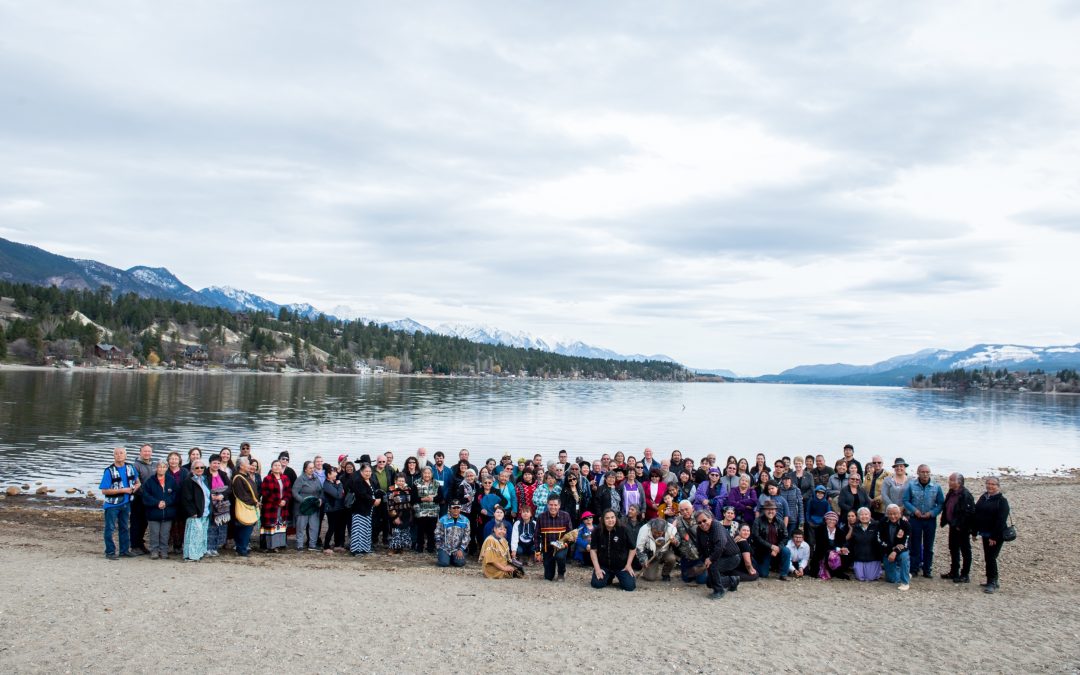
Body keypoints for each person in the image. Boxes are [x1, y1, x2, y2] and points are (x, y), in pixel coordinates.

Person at [903, 464, 944, 578]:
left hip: (930, 519)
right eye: (922, 472)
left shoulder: (936, 486)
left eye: (927, 472)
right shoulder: (911, 485)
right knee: (915, 544)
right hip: (915, 519)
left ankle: (927, 569)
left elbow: (941, 503)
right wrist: (914, 511)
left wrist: (932, 513)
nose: (925, 474)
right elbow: (906, 500)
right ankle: (914, 568)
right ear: (918, 473)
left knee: (928, 545)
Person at [99, 447, 141, 560]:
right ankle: (110, 551)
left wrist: (136, 487)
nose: (119, 455)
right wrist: (123, 490)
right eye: (116, 453)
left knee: (124, 527)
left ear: (125, 455)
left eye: (121, 453)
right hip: (112, 505)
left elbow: (138, 482)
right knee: (110, 528)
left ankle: (124, 550)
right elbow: (104, 490)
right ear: (114, 456)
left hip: (126, 503)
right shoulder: (109, 471)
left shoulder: (130, 467)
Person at [974, 476, 1010, 593]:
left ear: (998, 486)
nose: (990, 486)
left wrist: (994, 536)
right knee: (988, 557)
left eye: (993, 484)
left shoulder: (1002, 501)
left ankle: (992, 582)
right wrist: (974, 531)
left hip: (996, 534)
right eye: (988, 483)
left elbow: (1001, 520)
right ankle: (991, 579)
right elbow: (977, 513)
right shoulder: (983, 497)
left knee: (991, 557)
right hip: (985, 532)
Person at [695, 509, 742, 599]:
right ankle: (733, 580)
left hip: (732, 557)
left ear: (710, 518)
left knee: (713, 565)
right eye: (699, 522)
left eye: (704, 520)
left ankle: (719, 591)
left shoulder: (716, 525)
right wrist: (704, 559)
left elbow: (720, 544)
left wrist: (710, 559)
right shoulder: (699, 530)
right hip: (719, 557)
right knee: (709, 582)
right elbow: (700, 547)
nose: (702, 524)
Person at [940, 472, 976, 583]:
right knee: (953, 548)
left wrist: (962, 526)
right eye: (949, 480)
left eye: (952, 480)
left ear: (959, 482)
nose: (949, 482)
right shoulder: (951, 493)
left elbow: (969, 513)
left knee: (965, 550)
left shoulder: (966, 495)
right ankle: (954, 571)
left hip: (962, 527)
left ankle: (965, 574)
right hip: (953, 525)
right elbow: (947, 507)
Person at [589, 509, 636, 591]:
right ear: (602, 520)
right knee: (596, 584)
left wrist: (628, 565)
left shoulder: (624, 529)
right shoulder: (597, 531)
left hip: (621, 566)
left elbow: (633, 548)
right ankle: (609, 577)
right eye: (607, 518)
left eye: (612, 517)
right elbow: (593, 550)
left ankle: (621, 578)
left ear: (616, 518)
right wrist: (597, 569)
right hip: (604, 566)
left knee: (630, 587)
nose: (610, 520)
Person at [141, 459, 177, 560]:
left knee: (165, 533)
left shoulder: (171, 480)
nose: (161, 469)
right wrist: (157, 503)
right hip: (153, 513)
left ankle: (164, 551)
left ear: (167, 468)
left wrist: (166, 502)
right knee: (154, 533)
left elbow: (175, 495)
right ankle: (154, 551)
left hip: (168, 512)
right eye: (159, 467)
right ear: (156, 468)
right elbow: (146, 496)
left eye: (164, 467)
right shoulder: (150, 481)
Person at [751, 500, 791, 580]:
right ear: (764, 510)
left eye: (773, 509)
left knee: (786, 551)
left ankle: (783, 574)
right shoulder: (757, 521)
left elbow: (785, 537)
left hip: (777, 548)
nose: (770, 511)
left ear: (776, 511)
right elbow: (756, 537)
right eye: (768, 509)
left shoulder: (780, 522)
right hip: (763, 550)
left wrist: (778, 548)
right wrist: (771, 546)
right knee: (763, 574)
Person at [180, 459, 210, 562]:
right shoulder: (189, 480)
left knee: (201, 534)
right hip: (195, 513)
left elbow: (207, 495)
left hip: (205, 511)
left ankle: (199, 553)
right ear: (192, 469)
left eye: (202, 467)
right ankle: (191, 555)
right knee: (193, 535)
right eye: (197, 467)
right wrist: (192, 512)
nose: (200, 469)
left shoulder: (205, 479)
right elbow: (185, 498)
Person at [537, 493, 572, 581]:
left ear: (559, 505)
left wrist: (566, 544)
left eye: (555, 505)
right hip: (547, 548)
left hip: (561, 546)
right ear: (547, 505)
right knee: (548, 577)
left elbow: (570, 534)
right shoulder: (541, 517)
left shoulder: (566, 516)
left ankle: (561, 573)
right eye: (551, 505)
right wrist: (538, 552)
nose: (553, 507)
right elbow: (536, 535)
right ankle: (550, 570)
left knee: (560, 557)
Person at [258, 459, 291, 553]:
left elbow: (288, 491)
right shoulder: (267, 479)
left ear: (281, 468)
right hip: (271, 507)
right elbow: (265, 493)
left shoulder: (285, 478)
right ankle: (268, 546)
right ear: (272, 468)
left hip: (283, 507)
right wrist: (278, 501)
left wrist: (285, 500)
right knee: (270, 525)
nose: (277, 467)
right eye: (275, 465)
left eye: (279, 465)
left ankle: (279, 544)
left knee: (279, 525)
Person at [231, 458, 260, 557]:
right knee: (245, 527)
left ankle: (242, 547)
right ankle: (241, 548)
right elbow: (242, 495)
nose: (250, 465)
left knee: (246, 528)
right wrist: (254, 502)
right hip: (245, 507)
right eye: (248, 464)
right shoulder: (238, 478)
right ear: (241, 466)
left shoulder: (245, 476)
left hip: (249, 506)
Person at [348, 463, 378, 556]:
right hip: (359, 509)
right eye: (366, 471)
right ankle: (356, 550)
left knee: (366, 529)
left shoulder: (372, 481)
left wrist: (379, 498)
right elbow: (362, 495)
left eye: (369, 471)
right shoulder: (358, 481)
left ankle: (365, 548)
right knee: (358, 530)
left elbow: (376, 491)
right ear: (361, 472)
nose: (368, 473)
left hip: (369, 509)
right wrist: (374, 501)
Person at [205, 453, 232, 557]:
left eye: (218, 463)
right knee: (210, 526)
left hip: (222, 504)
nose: (216, 465)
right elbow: (203, 487)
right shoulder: (205, 474)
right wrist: (211, 496)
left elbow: (229, 488)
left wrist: (222, 495)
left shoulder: (222, 474)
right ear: (210, 463)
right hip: (210, 504)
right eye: (214, 463)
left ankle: (215, 547)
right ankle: (208, 548)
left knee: (219, 526)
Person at [810, 511, 850, 580]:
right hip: (822, 553)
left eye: (834, 520)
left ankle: (837, 571)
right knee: (830, 554)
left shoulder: (840, 532)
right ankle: (824, 569)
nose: (831, 521)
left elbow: (843, 543)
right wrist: (836, 549)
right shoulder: (819, 529)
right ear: (825, 520)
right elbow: (821, 545)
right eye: (829, 519)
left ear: (836, 521)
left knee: (846, 553)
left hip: (836, 553)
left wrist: (843, 548)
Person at [293, 460, 323, 552]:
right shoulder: (300, 479)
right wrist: (303, 501)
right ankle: (299, 545)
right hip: (303, 507)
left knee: (314, 526)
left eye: (313, 468)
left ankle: (312, 545)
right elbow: (294, 492)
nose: (312, 469)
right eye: (310, 468)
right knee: (301, 527)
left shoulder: (316, 478)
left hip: (314, 506)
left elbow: (321, 490)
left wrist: (320, 499)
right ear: (305, 469)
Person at [879, 504, 911, 590]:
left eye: (895, 513)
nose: (893, 516)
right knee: (891, 579)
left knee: (904, 556)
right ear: (887, 514)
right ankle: (904, 572)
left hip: (900, 551)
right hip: (887, 550)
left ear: (900, 514)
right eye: (890, 514)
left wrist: (895, 551)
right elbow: (879, 539)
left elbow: (906, 543)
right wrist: (890, 549)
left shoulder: (905, 524)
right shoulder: (883, 522)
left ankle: (905, 582)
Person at [635, 517, 678, 581]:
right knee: (650, 578)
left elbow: (678, 541)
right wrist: (644, 560)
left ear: (664, 530)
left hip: (664, 552)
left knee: (671, 558)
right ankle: (647, 572)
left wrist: (675, 541)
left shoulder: (671, 529)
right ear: (651, 528)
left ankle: (665, 574)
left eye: (660, 533)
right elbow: (639, 548)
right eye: (654, 532)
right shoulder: (644, 530)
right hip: (650, 555)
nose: (657, 535)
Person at [130, 444, 154, 555]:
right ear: (140, 452)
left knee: (145, 522)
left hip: (150, 499)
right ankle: (134, 546)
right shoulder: (135, 466)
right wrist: (146, 495)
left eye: (149, 451)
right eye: (145, 451)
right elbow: (135, 484)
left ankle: (140, 544)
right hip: (138, 499)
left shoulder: (153, 465)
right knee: (136, 522)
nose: (147, 453)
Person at [847, 507, 881, 581]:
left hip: (873, 557)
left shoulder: (877, 525)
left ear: (870, 515)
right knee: (860, 577)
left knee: (870, 578)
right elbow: (849, 541)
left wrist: (902, 517)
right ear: (858, 517)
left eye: (866, 514)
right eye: (861, 515)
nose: (864, 516)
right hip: (859, 557)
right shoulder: (855, 528)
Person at [412, 466, 441, 553]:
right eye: (425, 473)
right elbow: (413, 498)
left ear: (432, 474)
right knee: (420, 530)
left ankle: (430, 547)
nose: (427, 475)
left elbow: (441, 497)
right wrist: (423, 499)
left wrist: (432, 499)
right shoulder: (416, 483)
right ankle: (420, 547)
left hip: (433, 511)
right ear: (422, 474)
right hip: (420, 511)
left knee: (431, 530)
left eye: (429, 473)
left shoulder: (437, 483)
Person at [435, 499, 470, 567]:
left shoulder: (465, 520)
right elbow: (437, 534)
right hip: (445, 548)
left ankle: (452, 558)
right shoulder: (443, 519)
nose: (456, 509)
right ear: (450, 508)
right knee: (444, 563)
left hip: (458, 549)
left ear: (460, 508)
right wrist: (440, 547)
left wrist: (461, 549)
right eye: (454, 507)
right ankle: (445, 557)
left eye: (458, 507)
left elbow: (467, 536)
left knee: (460, 564)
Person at [371, 454, 396, 547]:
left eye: (383, 462)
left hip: (387, 498)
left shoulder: (390, 470)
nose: (381, 463)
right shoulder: (371, 470)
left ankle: (385, 538)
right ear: (376, 461)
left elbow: (395, 482)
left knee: (387, 519)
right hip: (376, 498)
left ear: (386, 462)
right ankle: (374, 539)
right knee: (375, 520)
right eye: (379, 461)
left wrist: (393, 493)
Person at [321, 466, 346, 552]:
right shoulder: (326, 484)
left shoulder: (333, 482)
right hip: (331, 509)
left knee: (338, 527)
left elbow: (341, 493)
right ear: (328, 475)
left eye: (336, 472)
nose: (336, 474)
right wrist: (340, 485)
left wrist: (338, 485)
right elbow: (338, 495)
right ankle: (326, 546)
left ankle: (337, 545)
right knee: (331, 527)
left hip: (338, 508)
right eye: (334, 472)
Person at [387, 474, 413, 554]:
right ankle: (393, 548)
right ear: (395, 481)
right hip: (396, 513)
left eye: (402, 481)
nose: (401, 482)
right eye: (399, 481)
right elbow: (389, 505)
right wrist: (395, 517)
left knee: (404, 531)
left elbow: (411, 502)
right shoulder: (391, 489)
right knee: (395, 531)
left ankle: (400, 548)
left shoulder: (408, 489)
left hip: (407, 514)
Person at [863, 455, 891, 520]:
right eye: (874, 462)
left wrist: (875, 501)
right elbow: (863, 489)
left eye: (879, 462)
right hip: (869, 506)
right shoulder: (868, 475)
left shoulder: (889, 475)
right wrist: (870, 500)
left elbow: (888, 491)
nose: (876, 464)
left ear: (882, 463)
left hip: (881, 508)